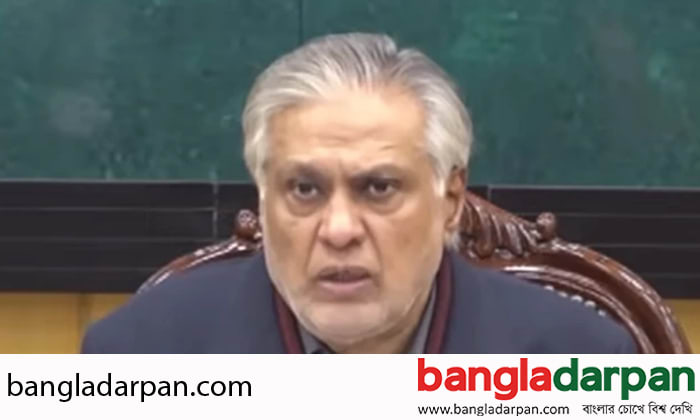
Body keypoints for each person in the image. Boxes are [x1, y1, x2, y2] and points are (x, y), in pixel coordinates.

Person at [82, 33, 637, 354]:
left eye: (378, 188)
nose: (340, 229)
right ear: (262, 198)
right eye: (305, 189)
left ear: (449, 200)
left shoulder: (579, 361)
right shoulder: (139, 355)